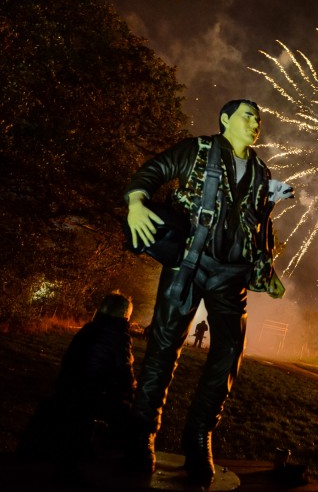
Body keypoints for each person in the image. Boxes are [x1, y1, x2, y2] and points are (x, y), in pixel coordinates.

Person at [123, 99, 293, 485]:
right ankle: (141, 435)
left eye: (258, 118)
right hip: (188, 263)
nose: (256, 122)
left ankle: (199, 436)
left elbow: (259, 228)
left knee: (229, 352)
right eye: (248, 115)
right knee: (163, 348)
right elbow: (151, 172)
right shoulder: (196, 149)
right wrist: (135, 202)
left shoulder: (261, 172)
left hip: (231, 275)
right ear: (225, 120)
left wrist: (267, 268)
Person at [17, 292, 136, 480]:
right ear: (125, 315)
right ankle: (120, 465)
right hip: (92, 395)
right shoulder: (120, 337)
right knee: (130, 415)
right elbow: (124, 374)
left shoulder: (87, 329)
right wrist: (131, 395)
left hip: (68, 389)